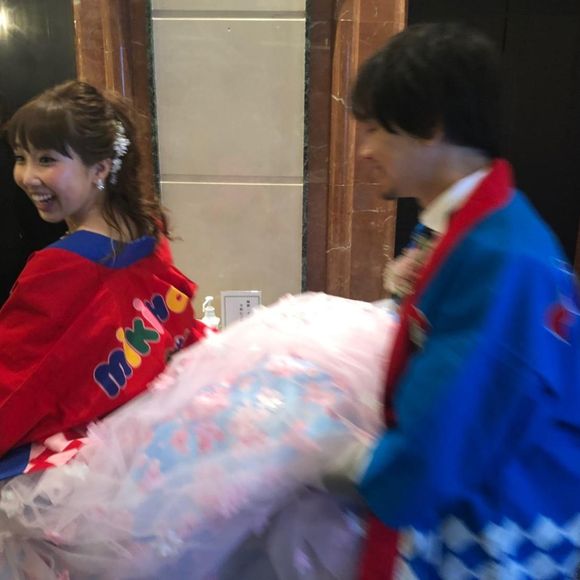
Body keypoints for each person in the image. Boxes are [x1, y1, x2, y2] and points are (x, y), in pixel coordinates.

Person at [339, 23, 580, 578]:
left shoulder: (502, 256)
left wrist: (351, 464)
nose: (365, 151)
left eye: (373, 130)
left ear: (430, 126)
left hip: (505, 513)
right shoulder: (473, 226)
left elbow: (455, 417)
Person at [0, 81, 206, 479]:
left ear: (100, 168)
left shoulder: (60, 267)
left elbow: (15, 382)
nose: (26, 176)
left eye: (46, 160)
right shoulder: (146, 228)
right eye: (21, 158)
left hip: (81, 467)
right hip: (145, 434)